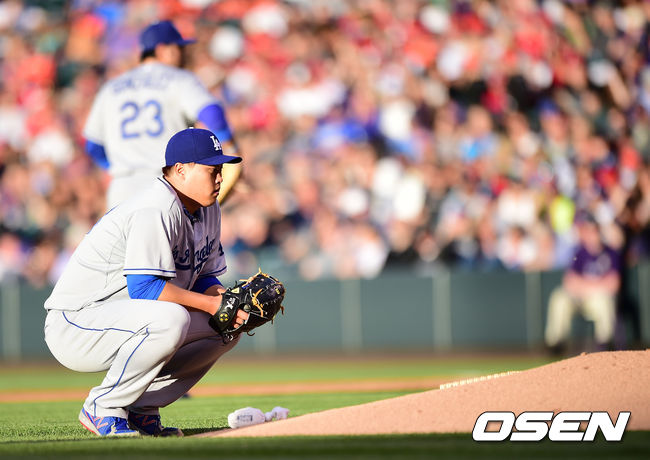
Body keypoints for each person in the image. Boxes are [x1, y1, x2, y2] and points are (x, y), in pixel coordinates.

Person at [43, 128, 246, 437]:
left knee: (227, 327)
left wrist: (230, 303)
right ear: (180, 170)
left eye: (220, 170)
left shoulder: (209, 209)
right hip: (76, 322)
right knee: (171, 319)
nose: (220, 178)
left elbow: (204, 277)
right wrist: (211, 304)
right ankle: (103, 407)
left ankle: (141, 408)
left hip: (127, 316)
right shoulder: (156, 207)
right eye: (212, 170)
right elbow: (146, 288)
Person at [83, 20, 241, 209]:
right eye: (179, 48)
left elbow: (93, 146)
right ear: (164, 50)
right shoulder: (179, 79)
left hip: (122, 191)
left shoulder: (110, 88)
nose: (183, 54)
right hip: (166, 187)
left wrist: (120, 167)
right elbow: (211, 112)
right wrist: (229, 146)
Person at [544, 212, 621, 352]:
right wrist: (594, 285)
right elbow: (569, 282)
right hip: (580, 298)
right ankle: (555, 344)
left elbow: (614, 284)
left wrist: (585, 285)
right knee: (560, 297)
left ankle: (605, 343)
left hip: (597, 298)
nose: (592, 235)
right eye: (588, 231)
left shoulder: (610, 253)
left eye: (594, 230)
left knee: (604, 301)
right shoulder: (579, 253)